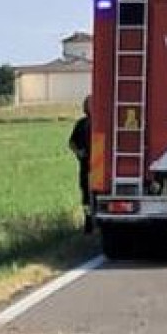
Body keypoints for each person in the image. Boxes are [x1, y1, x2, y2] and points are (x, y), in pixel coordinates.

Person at [68, 97, 94, 234]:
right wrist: (79, 152)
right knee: (86, 197)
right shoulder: (82, 124)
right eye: (89, 105)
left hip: (99, 167)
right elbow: (71, 142)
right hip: (86, 166)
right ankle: (88, 223)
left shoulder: (103, 123)